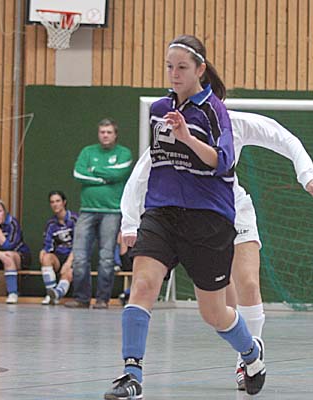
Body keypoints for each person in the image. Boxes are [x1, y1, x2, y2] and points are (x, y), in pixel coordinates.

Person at [104, 35, 266, 399]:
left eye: (181, 67)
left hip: (208, 218)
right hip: (161, 212)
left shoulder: (215, 111)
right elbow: (153, 164)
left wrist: (187, 136)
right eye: (169, 67)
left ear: (200, 70)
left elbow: (222, 162)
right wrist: (132, 219)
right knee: (143, 285)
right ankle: (132, 375)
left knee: (214, 312)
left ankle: (251, 353)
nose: (174, 74)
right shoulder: (158, 109)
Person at [122, 110, 313, 390]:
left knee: (248, 283)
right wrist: (129, 221)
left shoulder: (234, 122)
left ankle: (249, 360)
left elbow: (283, 137)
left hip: (234, 210)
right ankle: (245, 350)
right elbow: (143, 170)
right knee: (214, 309)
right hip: (192, 217)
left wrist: (306, 174)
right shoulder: (174, 125)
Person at [65, 118, 133, 310]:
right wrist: (104, 179)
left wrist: (93, 171)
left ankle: (103, 299)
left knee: (106, 257)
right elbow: (79, 173)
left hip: (112, 212)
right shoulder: (87, 152)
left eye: (109, 132)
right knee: (79, 256)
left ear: (115, 135)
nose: (105, 135)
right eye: (102, 132)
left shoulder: (124, 153)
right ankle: (81, 298)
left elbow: (119, 173)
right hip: (87, 210)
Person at [40, 190, 78, 305]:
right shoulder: (51, 223)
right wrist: (43, 252)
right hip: (58, 256)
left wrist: (68, 263)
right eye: (52, 202)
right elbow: (47, 245)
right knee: (46, 257)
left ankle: (56, 294)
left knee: (69, 272)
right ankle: (50, 293)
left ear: (64, 202)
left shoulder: (74, 219)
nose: (55, 204)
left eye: (58, 201)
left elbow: (79, 245)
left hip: (74, 257)